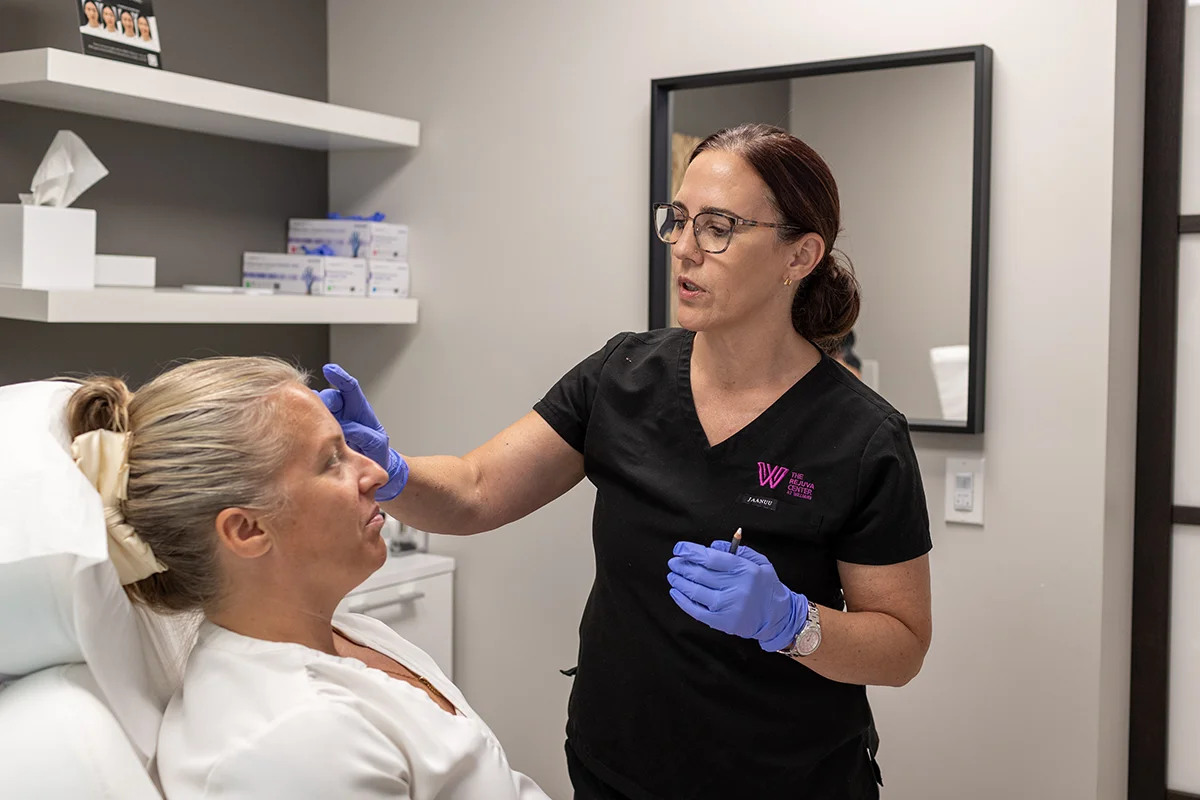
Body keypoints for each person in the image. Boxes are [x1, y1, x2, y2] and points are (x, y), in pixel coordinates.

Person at [325, 123, 933, 800]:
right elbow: (475, 490)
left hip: (789, 779)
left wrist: (793, 622)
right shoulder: (623, 376)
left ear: (801, 255)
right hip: (616, 767)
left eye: (719, 226)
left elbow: (901, 646)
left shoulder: (862, 435)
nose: (685, 248)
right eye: (677, 221)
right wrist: (389, 470)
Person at [66, 357, 551, 800]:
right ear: (247, 530)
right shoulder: (293, 743)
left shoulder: (348, 634)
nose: (377, 473)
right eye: (332, 459)